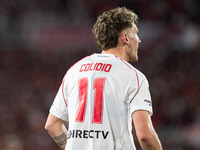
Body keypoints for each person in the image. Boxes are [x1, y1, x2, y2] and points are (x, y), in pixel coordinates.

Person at [45, 7, 162, 150]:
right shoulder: (133, 76)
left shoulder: (74, 70)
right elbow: (145, 136)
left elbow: (52, 124)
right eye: (136, 34)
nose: (139, 40)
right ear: (125, 38)